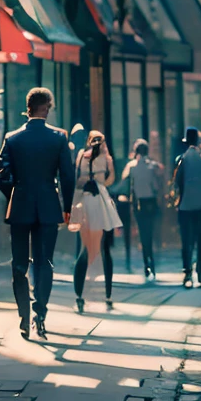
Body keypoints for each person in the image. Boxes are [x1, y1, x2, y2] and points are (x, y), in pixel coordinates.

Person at [0, 86, 75, 339]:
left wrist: (13, 194)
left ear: (27, 108)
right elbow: (68, 176)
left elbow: (0, 172)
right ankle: (41, 313)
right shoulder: (59, 138)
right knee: (44, 262)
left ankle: (24, 318)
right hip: (49, 206)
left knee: (18, 263)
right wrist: (67, 206)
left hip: (20, 206)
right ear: (47, 107)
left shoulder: (13, 138)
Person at [71, 131, 120, 311]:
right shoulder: (106, 159)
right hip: (101, 201)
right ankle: (108, 295)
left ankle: (79, 295)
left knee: (84, 249)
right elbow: (110, 180)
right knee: (105, 248)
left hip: (84, 202)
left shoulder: (81, 157)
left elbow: (77, 180)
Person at [172, 126, 201, 287]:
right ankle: (200, 273)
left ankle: (187, 274)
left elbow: (177, 182)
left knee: (187, 241)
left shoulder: (182, 159)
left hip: (185, 206)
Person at [121, 138, 165, 282]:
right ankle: (152, 262)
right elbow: (156, 187)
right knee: (151, 232)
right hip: (150, 202)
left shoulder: (132, 167)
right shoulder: (152, 167)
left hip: (138, 203)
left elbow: (128, 185)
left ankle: (147, 263)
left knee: (143, 233)